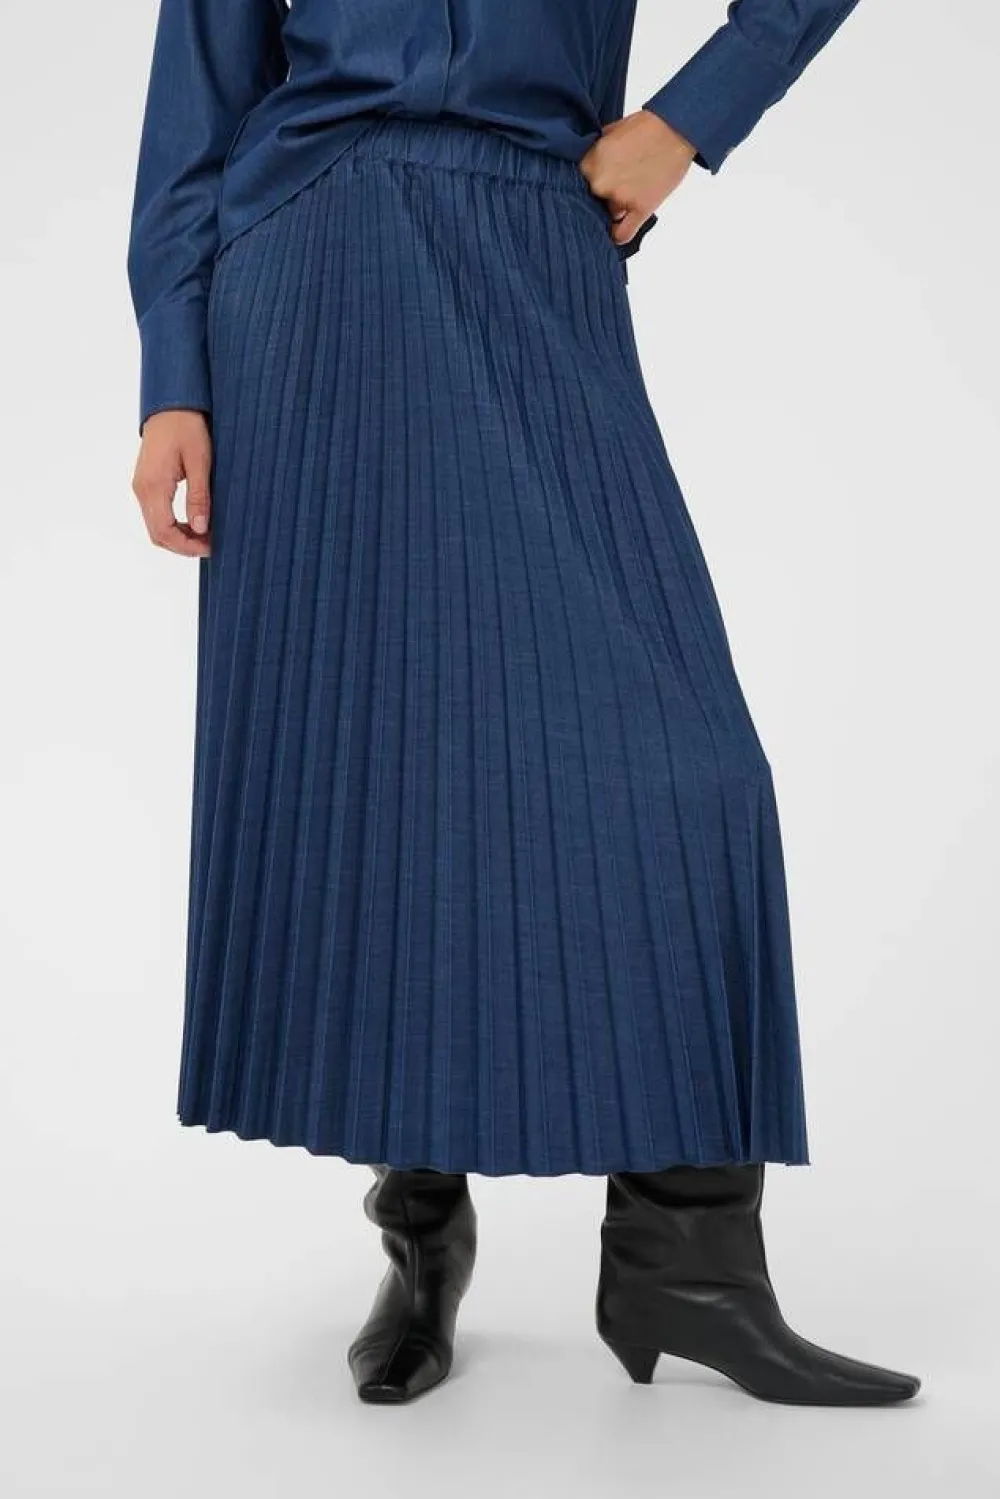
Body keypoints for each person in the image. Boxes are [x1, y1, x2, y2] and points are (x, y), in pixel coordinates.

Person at [127, 0, 921, 1408]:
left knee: (696, 776)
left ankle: (686, 1267)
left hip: (537, 241)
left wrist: (687, 122)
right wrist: (172, 375)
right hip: (311, 261)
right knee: (393, 770)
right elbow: (201, 82)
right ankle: (421, 1237)